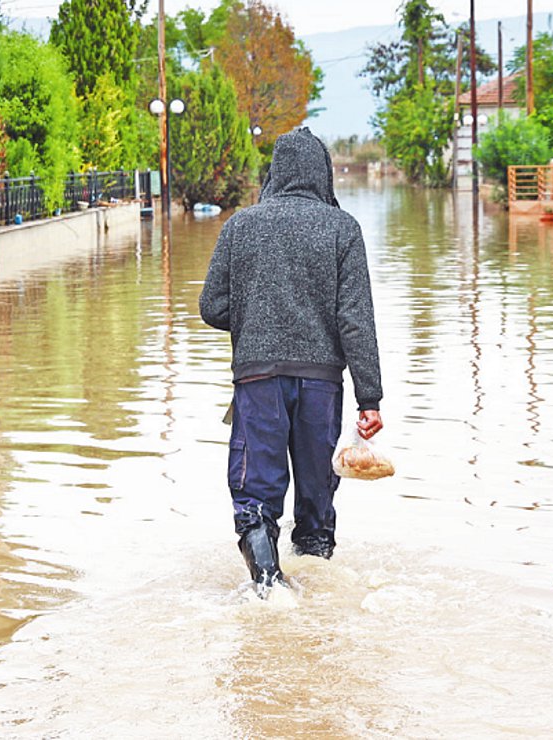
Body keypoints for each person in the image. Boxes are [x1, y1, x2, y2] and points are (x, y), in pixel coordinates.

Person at [198, 127, 383, 596]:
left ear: (275, 172)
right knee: (318, 494)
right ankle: (317, 585)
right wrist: (370, 398)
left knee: (255, 492)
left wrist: (256, 318)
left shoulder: (241, 225)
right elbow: (355, 319)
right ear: (323, 174)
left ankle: (267, 586)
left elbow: (211, 306)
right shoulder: (343, 229)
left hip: (257, 379)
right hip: (322, 383)